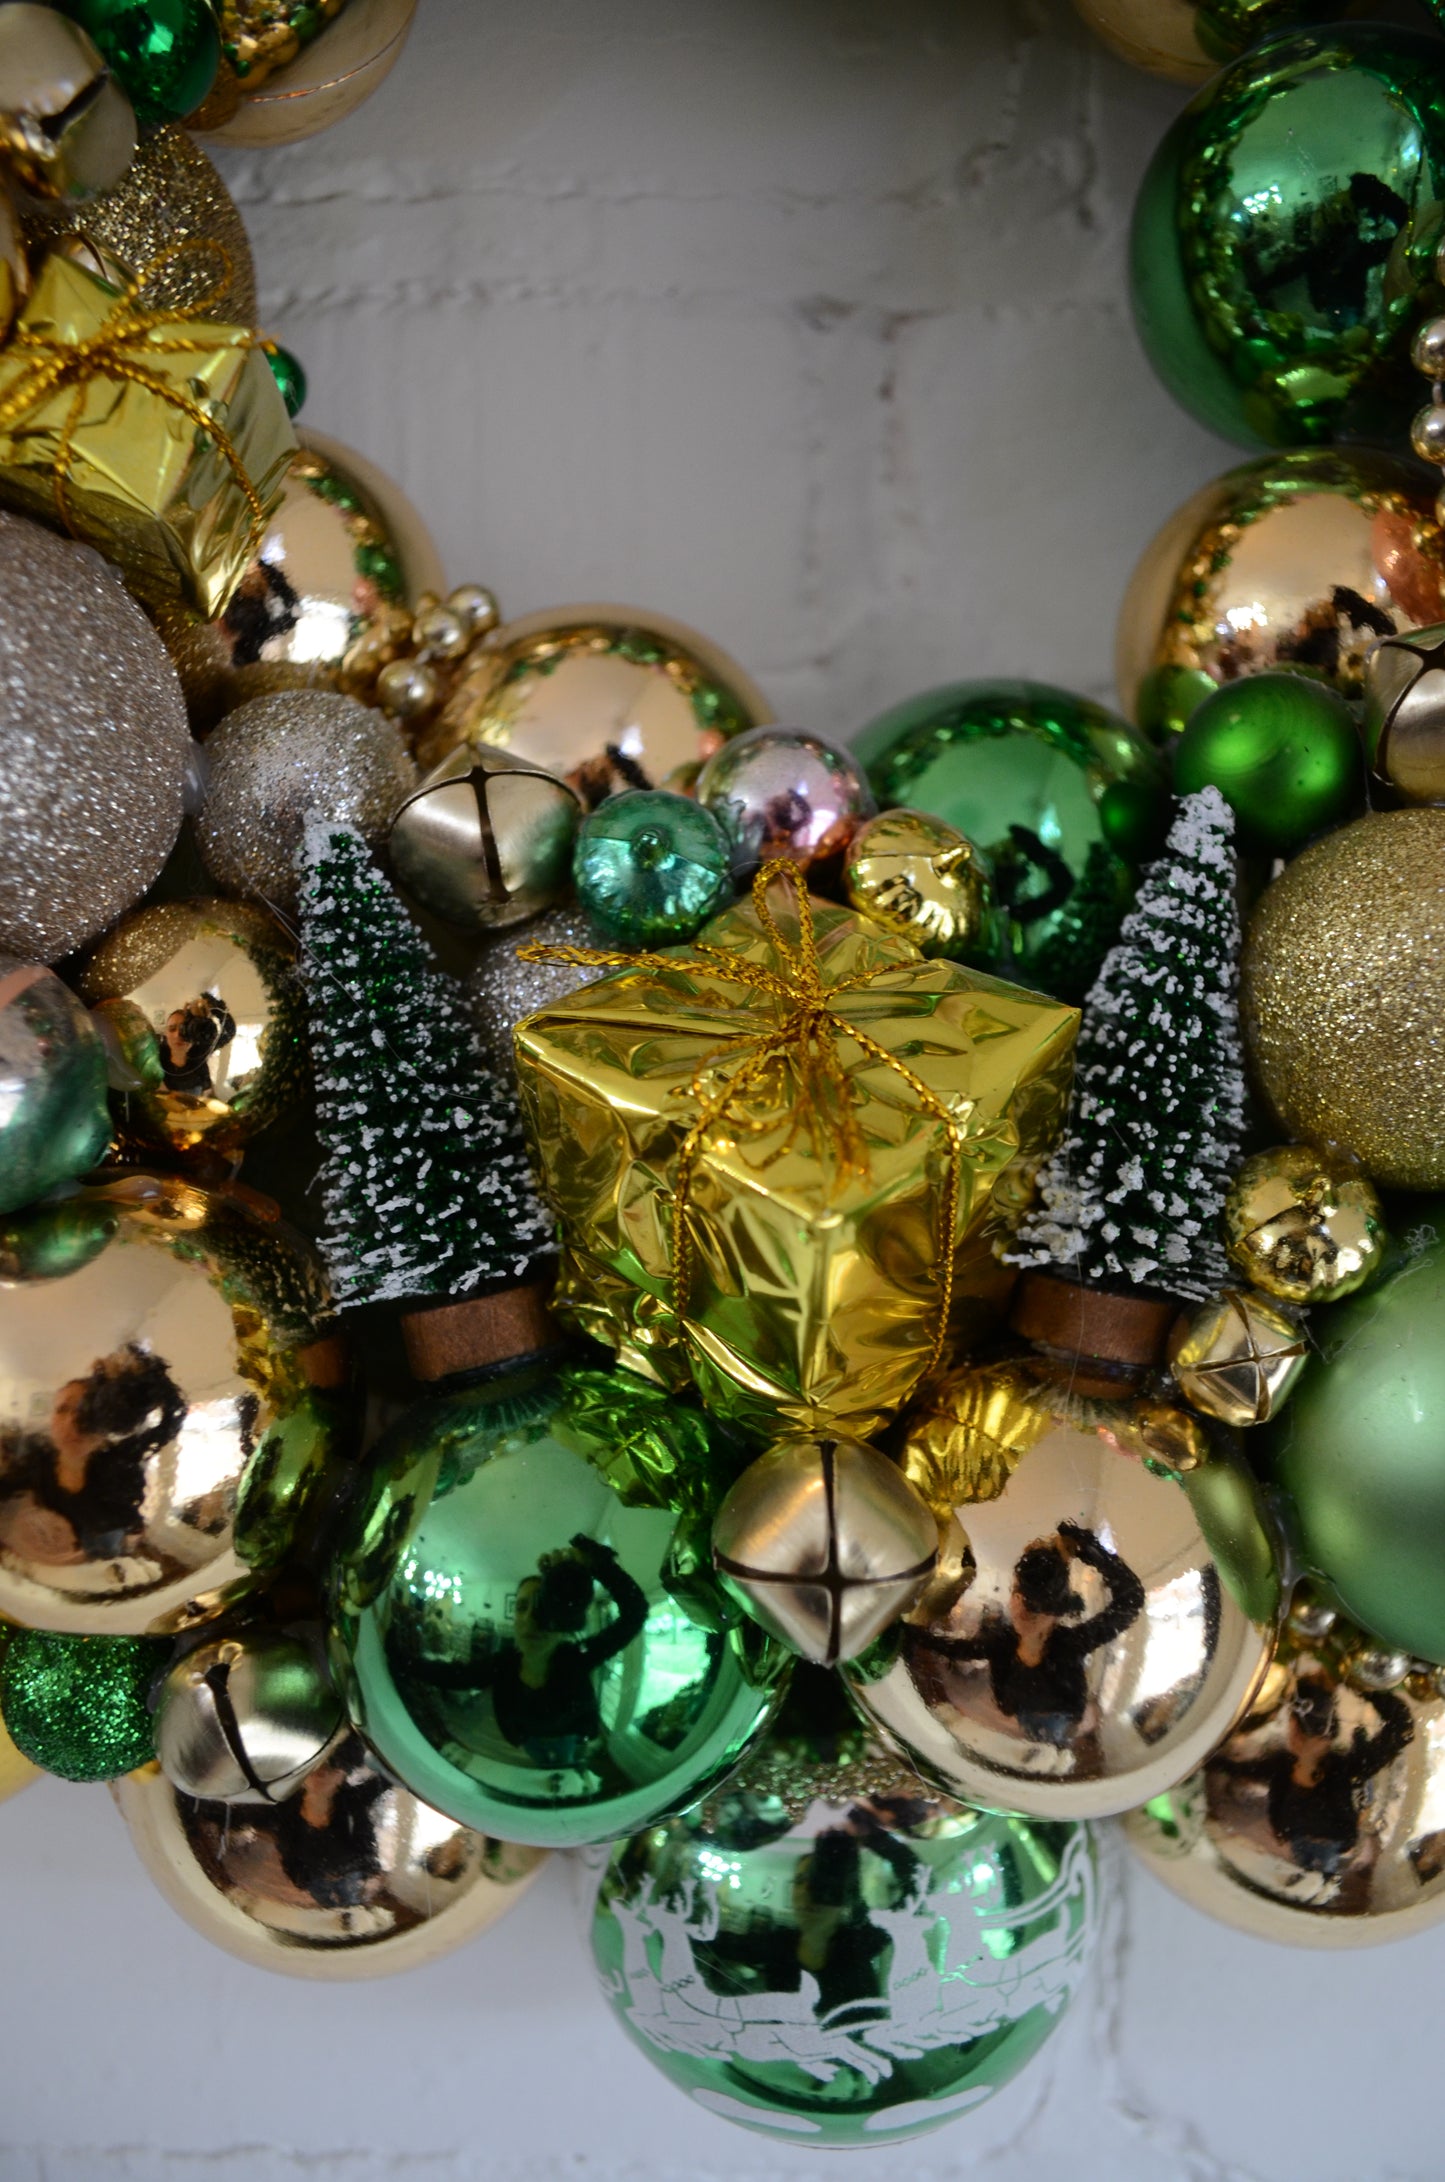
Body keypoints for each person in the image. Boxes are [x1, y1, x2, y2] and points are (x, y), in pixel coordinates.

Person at [390, 1533, 649, 1769]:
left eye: (544, 1608)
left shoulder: (579, 1657)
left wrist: (597, 1563)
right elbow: (454, 1675)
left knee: (563, 1770)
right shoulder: (503, 1664)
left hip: (571, 1740)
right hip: (528, 1742)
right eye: (522, 1607)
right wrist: (399, 1659)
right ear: (513, 1617)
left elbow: (635, 1612)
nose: (532, 1619)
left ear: (564, 1618)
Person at [908, 1520, 1145, 1746]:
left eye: (1039, 1601)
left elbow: (1130, 1599)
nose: (1024, 1607)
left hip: (1061, 1720)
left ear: (1056, 1609)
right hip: (1022, 1717)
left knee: (1054, 1755)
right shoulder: (1002, 1642)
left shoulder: (1071, 1643)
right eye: (1018, 1593)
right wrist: (911, 1629)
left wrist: (1088, 1547)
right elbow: (958, 1649)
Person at [0, 1343, 188, 1563]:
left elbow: (127, 1524)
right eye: (63, 1410)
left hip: (100, 1554)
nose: (73, 1422)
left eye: (85, 1411)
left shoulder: (122, 1470)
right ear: (51, 1420)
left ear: (105, 1422)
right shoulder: (38, 1458)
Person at [1213, 1675, 1414, 1877]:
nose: (1296, 1734)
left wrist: (1362, 1687)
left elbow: (1401, 1728)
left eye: (1307, 1728)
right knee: (1303, 1877)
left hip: (1324, 1844)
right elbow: (1237, 1768)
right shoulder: (1284, 1764)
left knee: (1320, 1880)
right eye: (1295, 1723)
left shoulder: (1346, 1766)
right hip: (1299, 1842)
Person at [158, 993, 236, 1095]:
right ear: (165, 1033)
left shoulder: (200, 1051)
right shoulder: (156, 1056)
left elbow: (229, 1031)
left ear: (194, 1032)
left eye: (184, 1029)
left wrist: (211, 1005)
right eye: (172, 1029)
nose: (178, 1035)